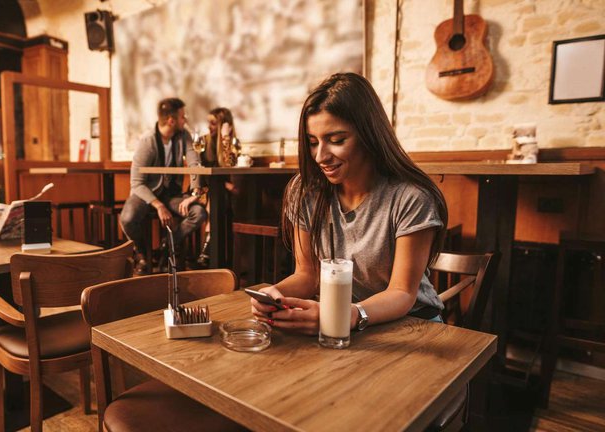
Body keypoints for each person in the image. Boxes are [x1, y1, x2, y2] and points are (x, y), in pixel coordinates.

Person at [250, 72, 448, 334]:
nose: (320, 156)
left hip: (413, 324)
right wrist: (275, 294)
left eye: (337, 140)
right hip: (344, 324)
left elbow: (402, 292)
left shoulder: (410, 197)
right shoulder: (305, 190)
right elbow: (307, 274)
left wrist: (348, 315)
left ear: (369, 135)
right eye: (312, 142)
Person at [120, 98, 207, 275]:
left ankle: (169, 242)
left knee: (199, 213)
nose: (186, 120)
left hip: (172, 195)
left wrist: (196, 192)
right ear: (171, 120)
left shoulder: (184, 135)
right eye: (183, 116)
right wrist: (158, 205)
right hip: (146, 194)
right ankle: (143, 253)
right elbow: (136, 183)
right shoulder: (147, 141)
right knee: (127, 219)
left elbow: (194, 163)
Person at [196, 107, 241, 266]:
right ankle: (211, 253)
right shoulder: (203, 142)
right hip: (204, 190)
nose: (209, 126)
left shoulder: (231, 142)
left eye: (214, 123)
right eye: (209, 123)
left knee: (221, 198)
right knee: (215, 199)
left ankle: (209, 251)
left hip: (223, 193)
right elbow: (201, 173)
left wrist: (225, 138)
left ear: (224, 124)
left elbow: (229, 165)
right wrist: (225, 185)